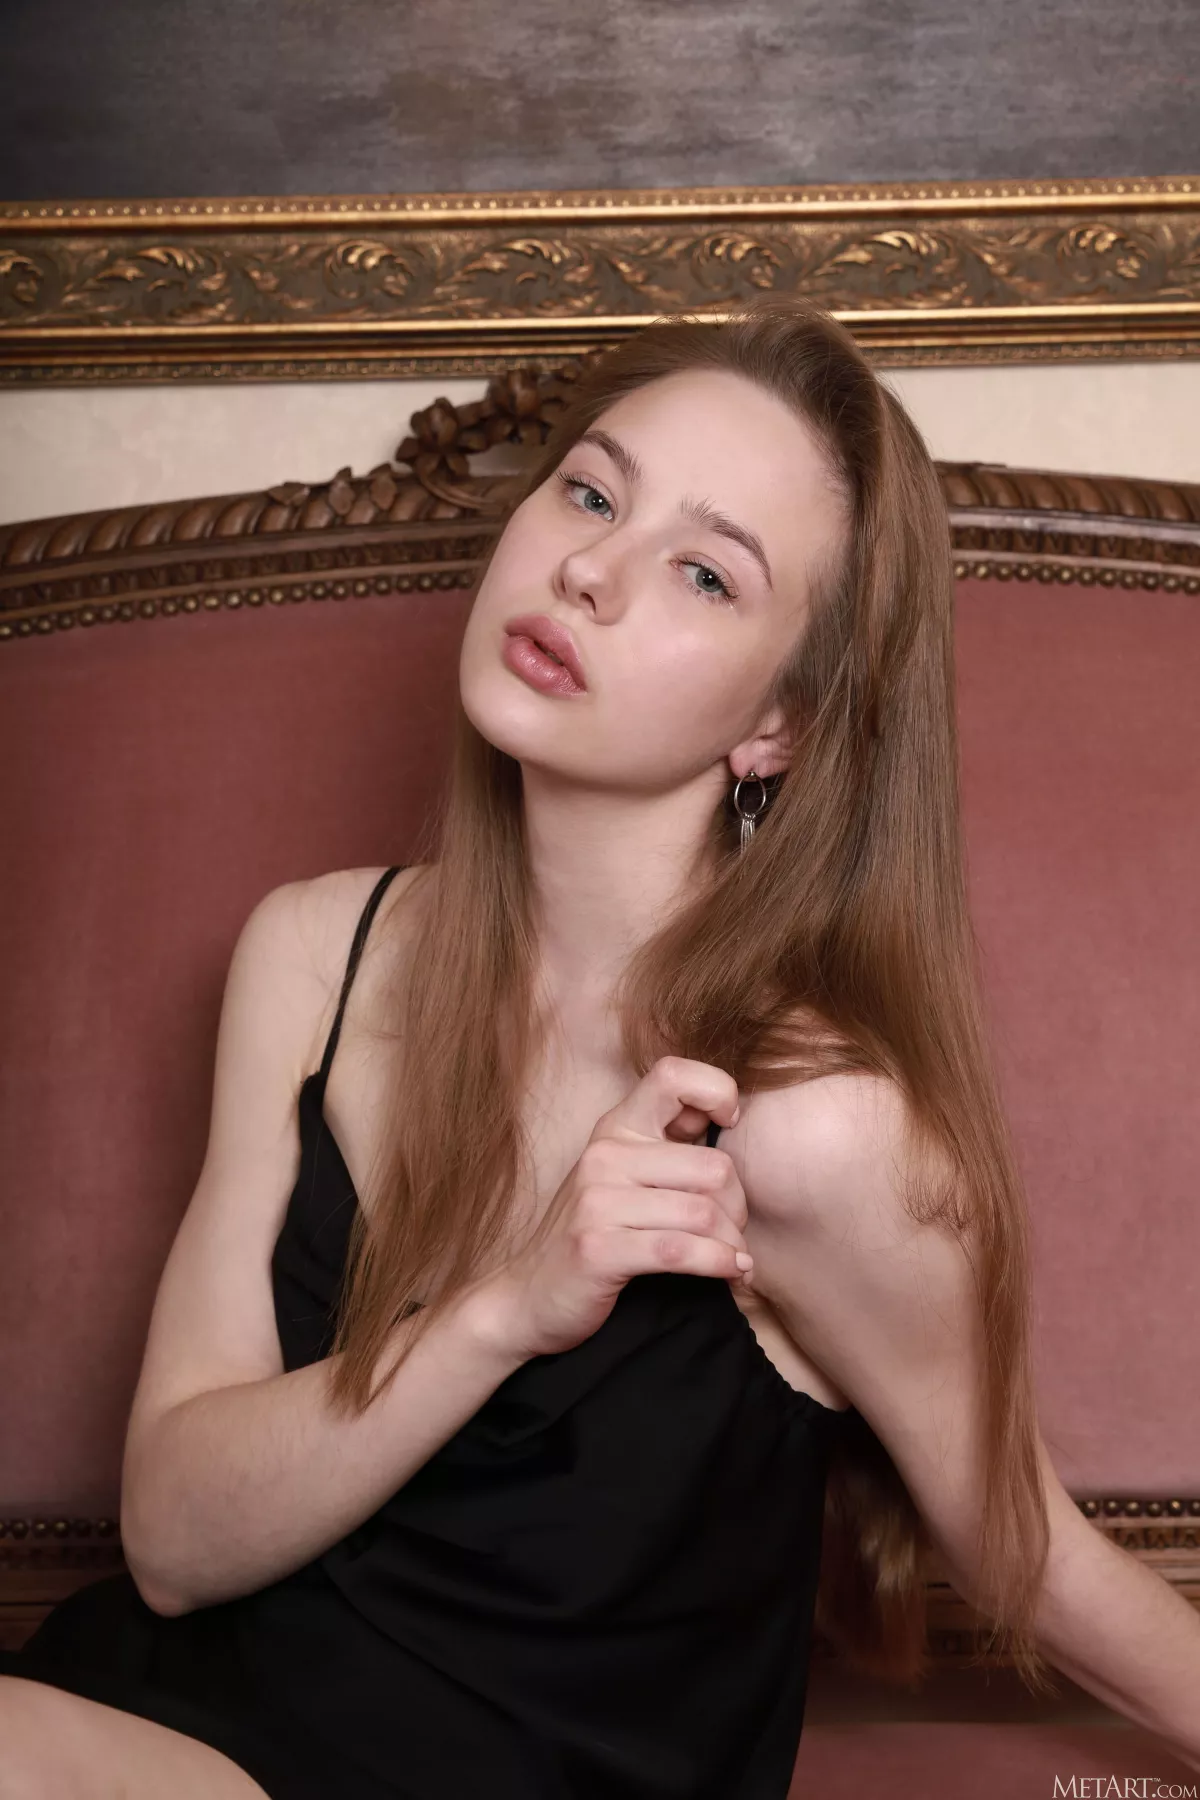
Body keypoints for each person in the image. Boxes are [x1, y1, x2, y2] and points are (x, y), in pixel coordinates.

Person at [2, 297, 1198, 1795]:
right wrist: (502, 1313)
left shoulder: (815, 1124)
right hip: (164, 1723)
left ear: (779, 725)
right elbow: (175, 1548)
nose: (590, 570)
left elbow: (1023, 1546)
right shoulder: (310, 957)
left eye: (704, 572)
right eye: (588, 493)